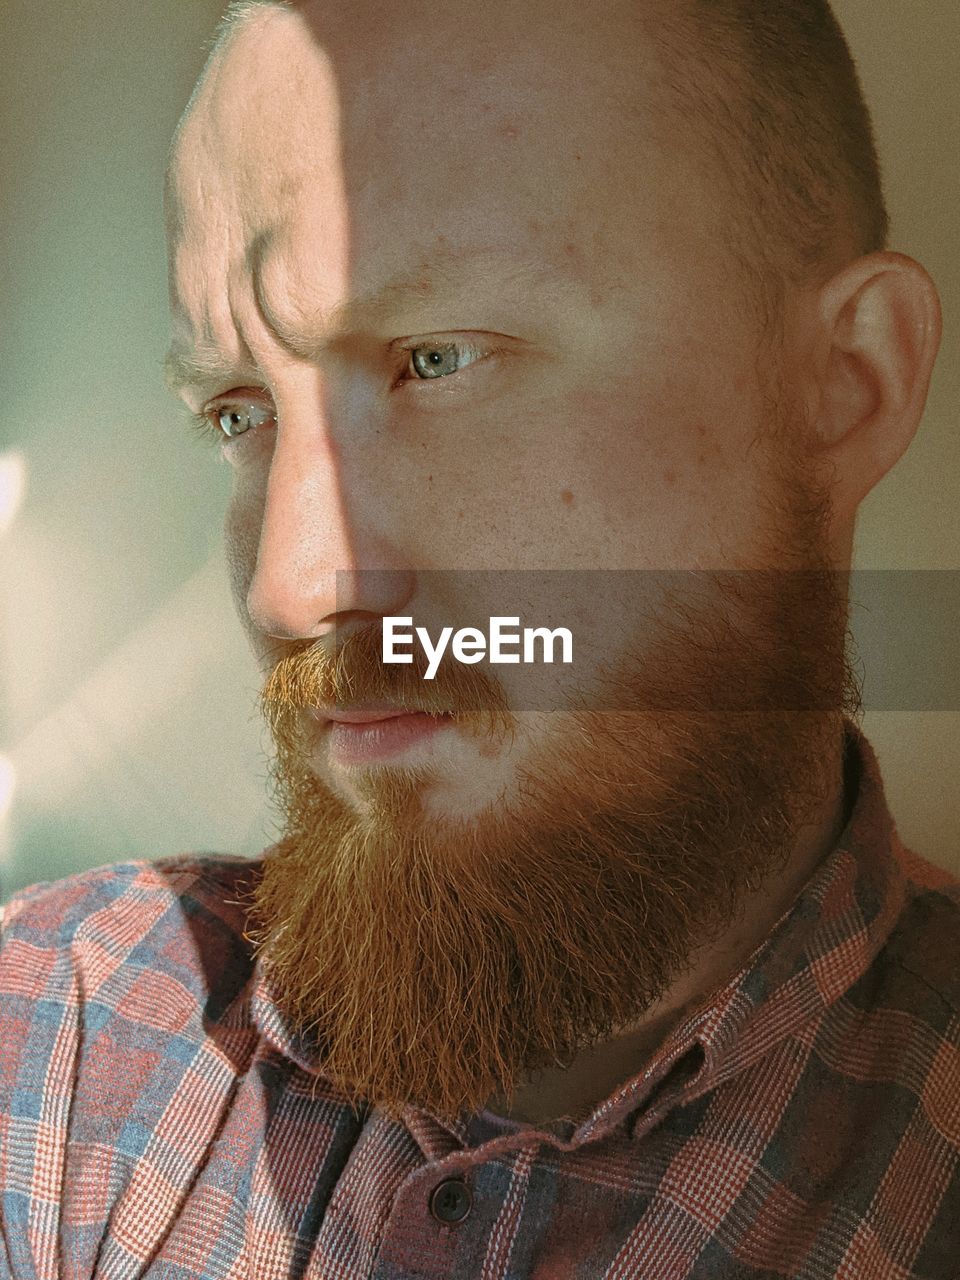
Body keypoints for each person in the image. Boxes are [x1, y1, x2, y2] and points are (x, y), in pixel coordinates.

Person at [1, 0, 956, 1275]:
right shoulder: (59, 1031)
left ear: (845, 381)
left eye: (437, 357)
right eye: (240, 412)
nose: (289, 591)